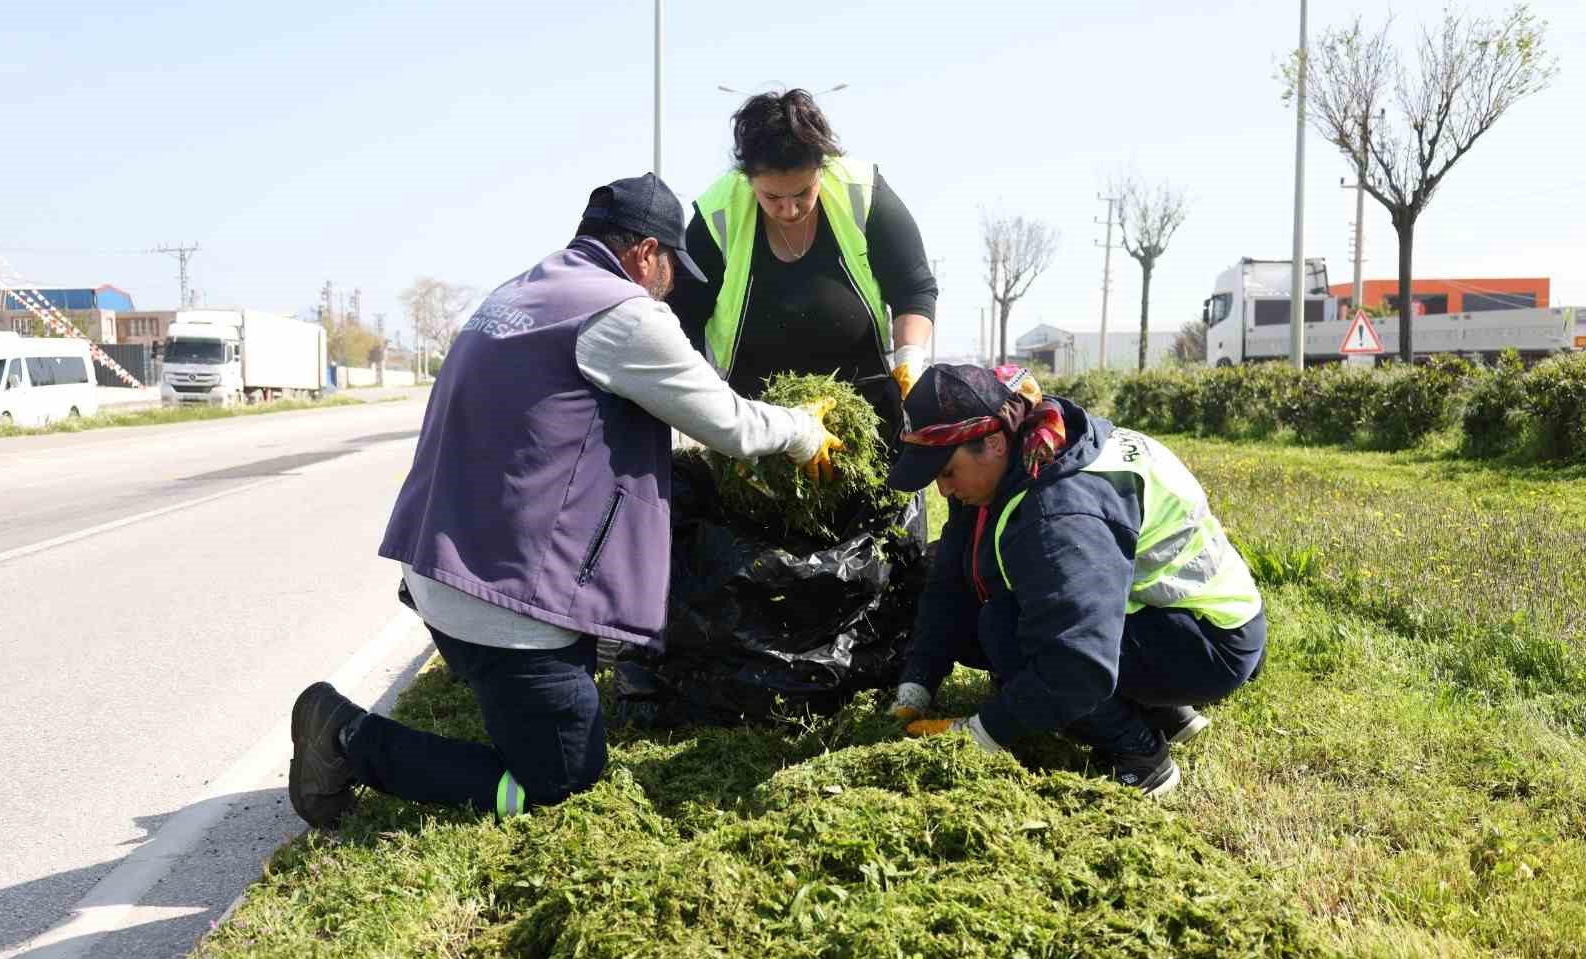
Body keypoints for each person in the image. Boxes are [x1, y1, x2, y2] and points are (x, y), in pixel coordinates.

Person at [287, 172, 844, 827]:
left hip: (443, 567)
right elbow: (730, 423)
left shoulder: (523, 292)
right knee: (563, 784)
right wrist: (805, 431)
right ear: (644, 253)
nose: (671, 283)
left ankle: (517, 693)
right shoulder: (623, 313)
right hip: (504, 604)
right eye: (671, 266)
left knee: (559, 708)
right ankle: (347, 739)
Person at [886, 364, 1266, 797]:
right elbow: (950, 582)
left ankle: (1142, 753)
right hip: (1169, 617)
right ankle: (1159, 707)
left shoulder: (1060, 511)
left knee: (1006, 632)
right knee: (991, 606)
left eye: (946, 472)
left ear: (991, 442)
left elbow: (1076, 665)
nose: (942, 490)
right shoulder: (1021, 450)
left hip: (1210, 642)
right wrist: (916, 684)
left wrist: (980, 733)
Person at [668, 87, 938, 447]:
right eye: (773, 198)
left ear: (820, 170)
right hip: (758, 431)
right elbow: (682, 320)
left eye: (802, 193)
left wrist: (910, 358)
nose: (790, 210)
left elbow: (914, 289)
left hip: (865, 423)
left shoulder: (863, 193)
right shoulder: (718, 216)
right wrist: (713, 413)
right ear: (748, 181)